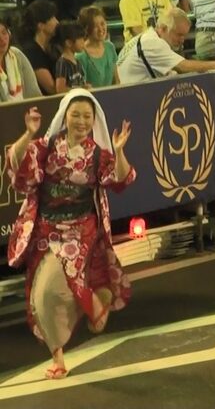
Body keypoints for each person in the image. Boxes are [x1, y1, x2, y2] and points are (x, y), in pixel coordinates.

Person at [6, 89, 135, 379]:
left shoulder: (97, 154)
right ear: (64, 115)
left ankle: (93, 301)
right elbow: (18, 167)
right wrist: (28, 134)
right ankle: (60, 355)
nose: (80, 121)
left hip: (81, 233)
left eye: (87, 116)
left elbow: (120, 179)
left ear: (94, 120)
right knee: (42, 295)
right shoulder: (47, 146)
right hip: (46, 231)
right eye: (75, 114)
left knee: (57, 287)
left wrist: (119, 150)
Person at [117, 8, 215, 84]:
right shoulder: (153, 43)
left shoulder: (146, 37)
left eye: (184, 36)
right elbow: (183, 66)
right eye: (178, 35)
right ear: (163, 28)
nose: (182, 40)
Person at [20, 0, 59, 96]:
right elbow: (51, 88)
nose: (57, 22)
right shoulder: (32, 51)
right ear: (41, 26)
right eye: (52, 18)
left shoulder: (53, 47)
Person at [0, 16, 41, 103]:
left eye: (4, 32)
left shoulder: (16, 55)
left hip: (25, 113)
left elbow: (34, 93)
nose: (2, 39)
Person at [76, 6, 118, 88]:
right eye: (95, 26)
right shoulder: (80, 55)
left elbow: (116, 80)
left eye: (102, 24)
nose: (101, 29)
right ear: (87, 29)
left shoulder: (110, 47)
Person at [53, 20, 87, 93]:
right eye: (80, 39)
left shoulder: (77, 61)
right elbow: (60, 89)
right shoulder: (63, 63)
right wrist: (81, 90)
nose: (83, 42)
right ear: (68, 43)